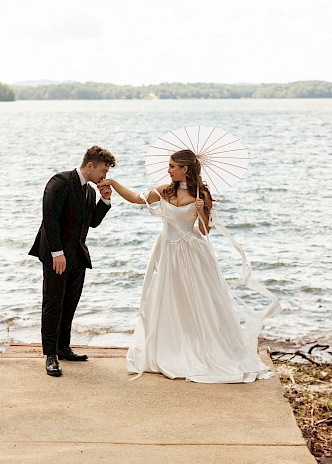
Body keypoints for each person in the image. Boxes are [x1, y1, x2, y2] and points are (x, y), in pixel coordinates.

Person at [98, 149, 281, 383]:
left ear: (185, 169)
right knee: (168, 299)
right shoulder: (165, 190)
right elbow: (136, 198)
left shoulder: (202, 193)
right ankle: (169, 349)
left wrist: (201, 210)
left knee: (197, 301)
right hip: (168, 252)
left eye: (173, 166)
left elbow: (205, 231)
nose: (168, 169)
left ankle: (203, 349)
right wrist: (112, 182)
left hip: (193, 254)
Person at [29, 146, 116, 377]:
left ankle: (63, 347)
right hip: (56, 255)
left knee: (70, 303)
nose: (104, 176)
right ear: (90, 165)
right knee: (53, 303)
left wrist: (104, 202)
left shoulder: (89, 191)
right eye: (103, 171)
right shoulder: (59, 182)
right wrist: (57, 253)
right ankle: (50, 355)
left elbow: (92, 223)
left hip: (77, 255)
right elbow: (50, 218)